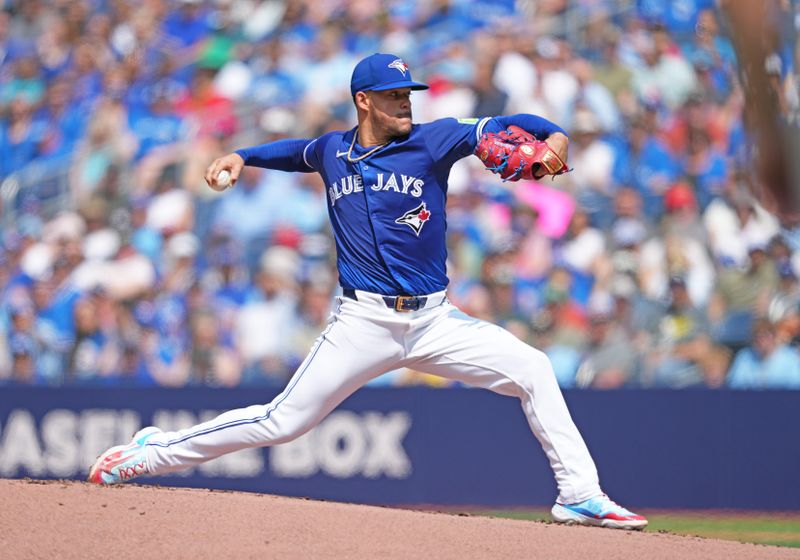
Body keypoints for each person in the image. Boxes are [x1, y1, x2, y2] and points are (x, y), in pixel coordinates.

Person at [88, 53, 647, 530]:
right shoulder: (334, 152)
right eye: (394, 95)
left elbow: (509, 121)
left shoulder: (434, 141)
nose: (406, 102)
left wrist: (554, 137)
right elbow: (295, 151)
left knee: (534, 369)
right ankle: (149, 454)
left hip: (434, 322)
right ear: (364, 100)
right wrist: (243, 155)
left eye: (409, 93)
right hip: (364, 324)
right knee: (282, 422)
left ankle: (578, 495)